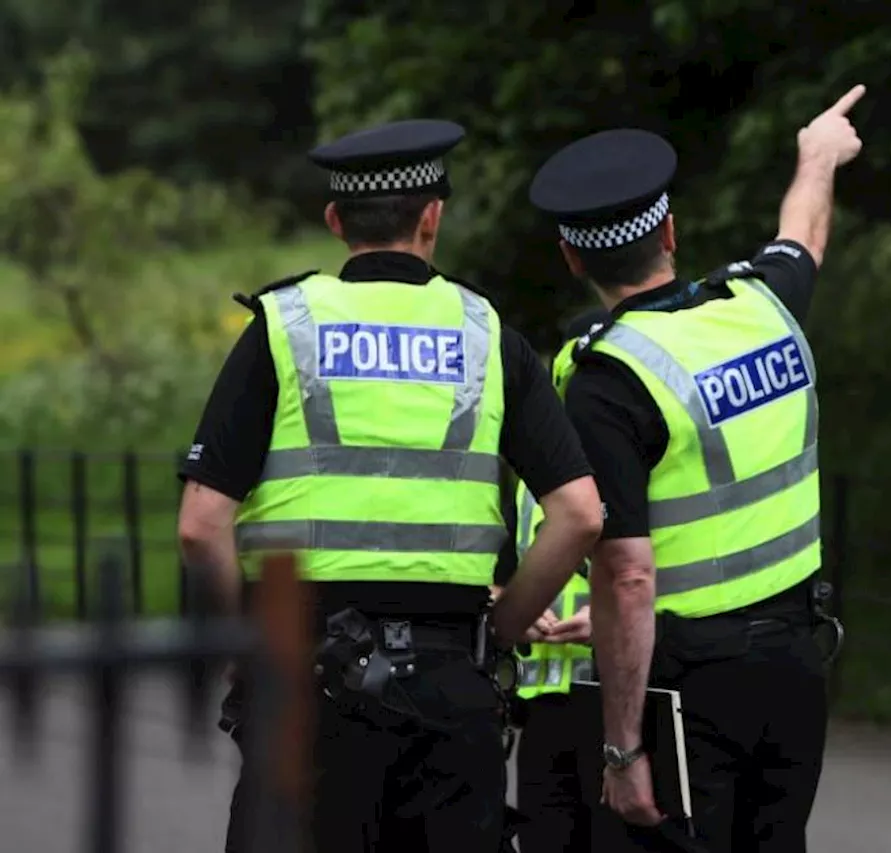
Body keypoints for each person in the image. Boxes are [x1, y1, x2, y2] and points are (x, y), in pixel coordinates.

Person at [175, 119, 603, 853]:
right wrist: (500, 628)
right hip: (450, 693)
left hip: (309, 688)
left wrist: (246, 639)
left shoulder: (286, 327)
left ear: (336, 220)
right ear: (433, 216)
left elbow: (200, 523)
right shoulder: (485, 332)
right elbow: (580, 514)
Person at [526, 84, 867, 853]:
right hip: (796, 662)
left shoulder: (607, 378)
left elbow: (628, 577)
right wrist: (817, 155)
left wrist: (621, 749)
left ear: (572, 255)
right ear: (670, 232)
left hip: (686, 689)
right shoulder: (760, 306)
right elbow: (802, 236)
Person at [499, 307, 611, 853]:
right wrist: (513, 609)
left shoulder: (645, 462)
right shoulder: (529, 481)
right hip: (542, 708)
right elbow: (490, 580)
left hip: (621, 701)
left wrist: (611, 622)